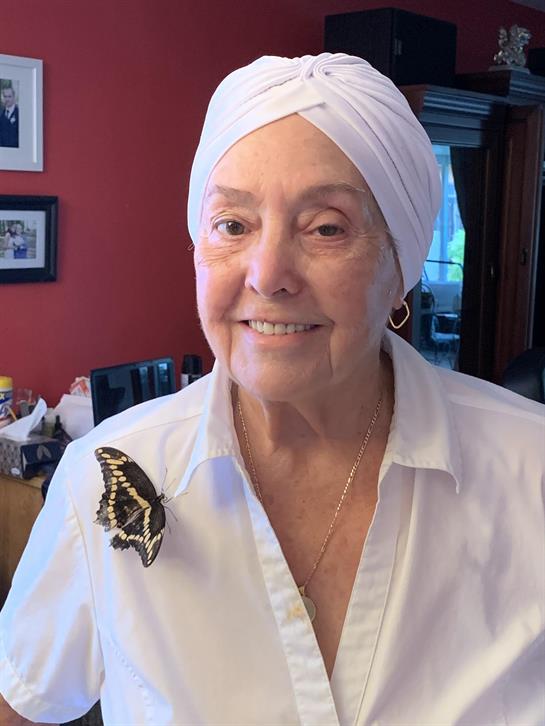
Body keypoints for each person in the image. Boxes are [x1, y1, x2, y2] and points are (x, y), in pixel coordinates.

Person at [0, 53, 544, 725]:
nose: (267, 274)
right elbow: (21, 701)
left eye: (326, 227)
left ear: (399, 265)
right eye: (233, 225)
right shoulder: (104, 475)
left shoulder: (531, 472)